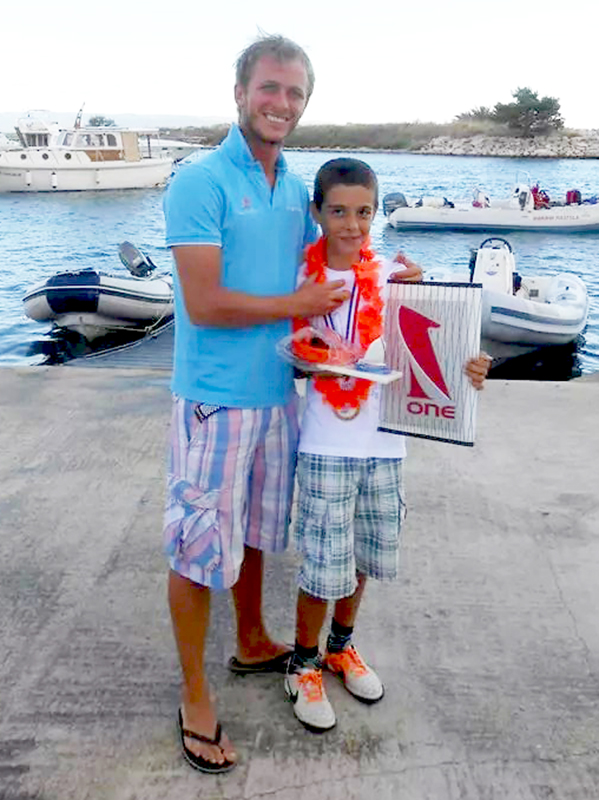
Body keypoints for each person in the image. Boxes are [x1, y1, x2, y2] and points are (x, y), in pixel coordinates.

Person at [162, 36, 356, 774]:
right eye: (269, 88)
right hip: (214, 402)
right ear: (240, 92)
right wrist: (295, 306)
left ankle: (250, 640)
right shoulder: (200, 180)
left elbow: (332, 263)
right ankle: (194, 695)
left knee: (251, 534)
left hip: (279, 396)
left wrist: (394, 274)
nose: (281, 103)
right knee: (195, 547)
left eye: (295, 93)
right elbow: (205, 303)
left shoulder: (294, 188)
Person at [284, 158, 490, 732]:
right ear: (317, 213)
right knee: (322, 562)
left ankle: (340, 647)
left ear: (376, 213)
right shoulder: (302, 282)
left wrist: (471, 367)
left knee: (364, 557)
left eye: (364, 212)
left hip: (387, 442)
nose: (352, 225)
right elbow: (292, 355)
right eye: (338, 211)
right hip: (326, 441)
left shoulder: (398, 279)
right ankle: (302, 664)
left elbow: (441, 351)